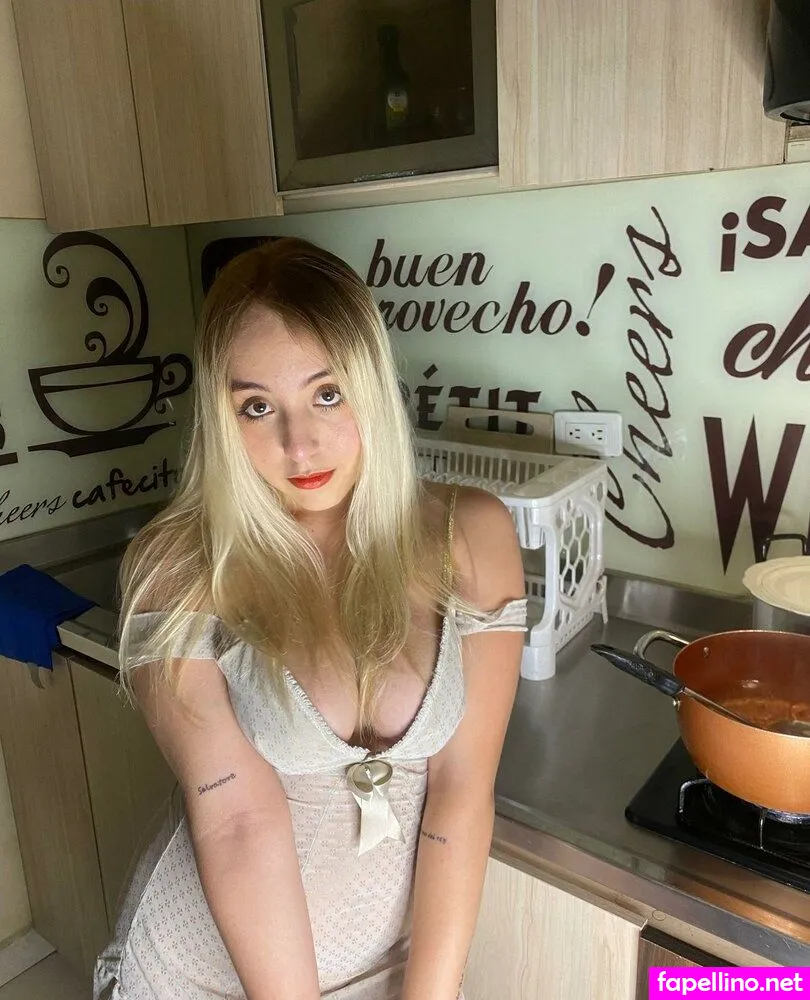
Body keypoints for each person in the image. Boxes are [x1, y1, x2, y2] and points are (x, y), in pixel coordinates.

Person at [93, 236, 527, 1000]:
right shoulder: (180, 568)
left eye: (328, 394)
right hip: (206, 974)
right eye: (257, 407)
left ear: (371, 384)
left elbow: (461, 792)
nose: (299, 445)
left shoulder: (469, 536)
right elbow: (237, 823)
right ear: (223, 418)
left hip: (387, 965)